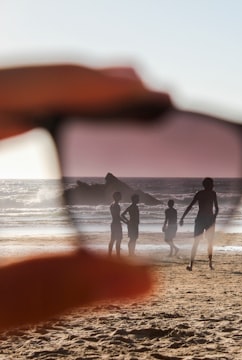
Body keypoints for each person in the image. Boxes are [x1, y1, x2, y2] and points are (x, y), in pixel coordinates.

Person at [0, 64, 171, 331]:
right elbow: (123, 213)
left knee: (122, 245)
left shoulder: (118, 203)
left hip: (123, 227)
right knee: (117, 246)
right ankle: (115, 259)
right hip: (118, 227)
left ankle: (118, 258)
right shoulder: (118, 203)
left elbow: (125, 212)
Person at [180, 177, 219, 271]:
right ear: (208, 185)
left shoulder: (208, 193)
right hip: (204, 220)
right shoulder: (204, 193)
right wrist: (182, 217)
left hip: (205, 220)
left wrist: (214, 216)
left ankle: (208, 263)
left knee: (205, 242)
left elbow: (217, 208)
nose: (213, 185)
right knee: (200, 242)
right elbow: (191, 206)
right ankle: (193, 264)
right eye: (212, 184)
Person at [108, 191, 124, 256]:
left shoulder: (111, 205)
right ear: (116, 197)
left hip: (113, 224)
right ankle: (118, 255)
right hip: (117, 224)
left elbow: (115, 216)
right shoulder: (117, 206)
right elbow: (118, 216)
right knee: (119, 240)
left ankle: (109, 255)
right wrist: (126, 222)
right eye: (119, 195)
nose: (121, 196)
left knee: (112, 239)